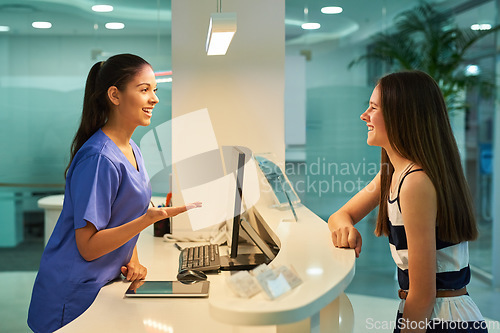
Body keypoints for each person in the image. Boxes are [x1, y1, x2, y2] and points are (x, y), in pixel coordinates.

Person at [27, 53, 201, 332]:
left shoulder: (132, 149)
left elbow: (118, 218)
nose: (154, 99)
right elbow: (87, 245)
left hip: (102, 283)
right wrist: (147, 221)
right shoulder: (99, 158)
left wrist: (131, 258)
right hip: (73, 293)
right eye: (144, 90)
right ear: (115, 95)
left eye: (154, 90)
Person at [328, 70, 487, 333]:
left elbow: (423, 296)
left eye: (373, 108)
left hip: (440, 319)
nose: (364, 115)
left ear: (400, 116)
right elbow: (341, 214)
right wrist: (345, 228)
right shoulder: (392, 172)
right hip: (431, 314)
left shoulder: (414, 182)